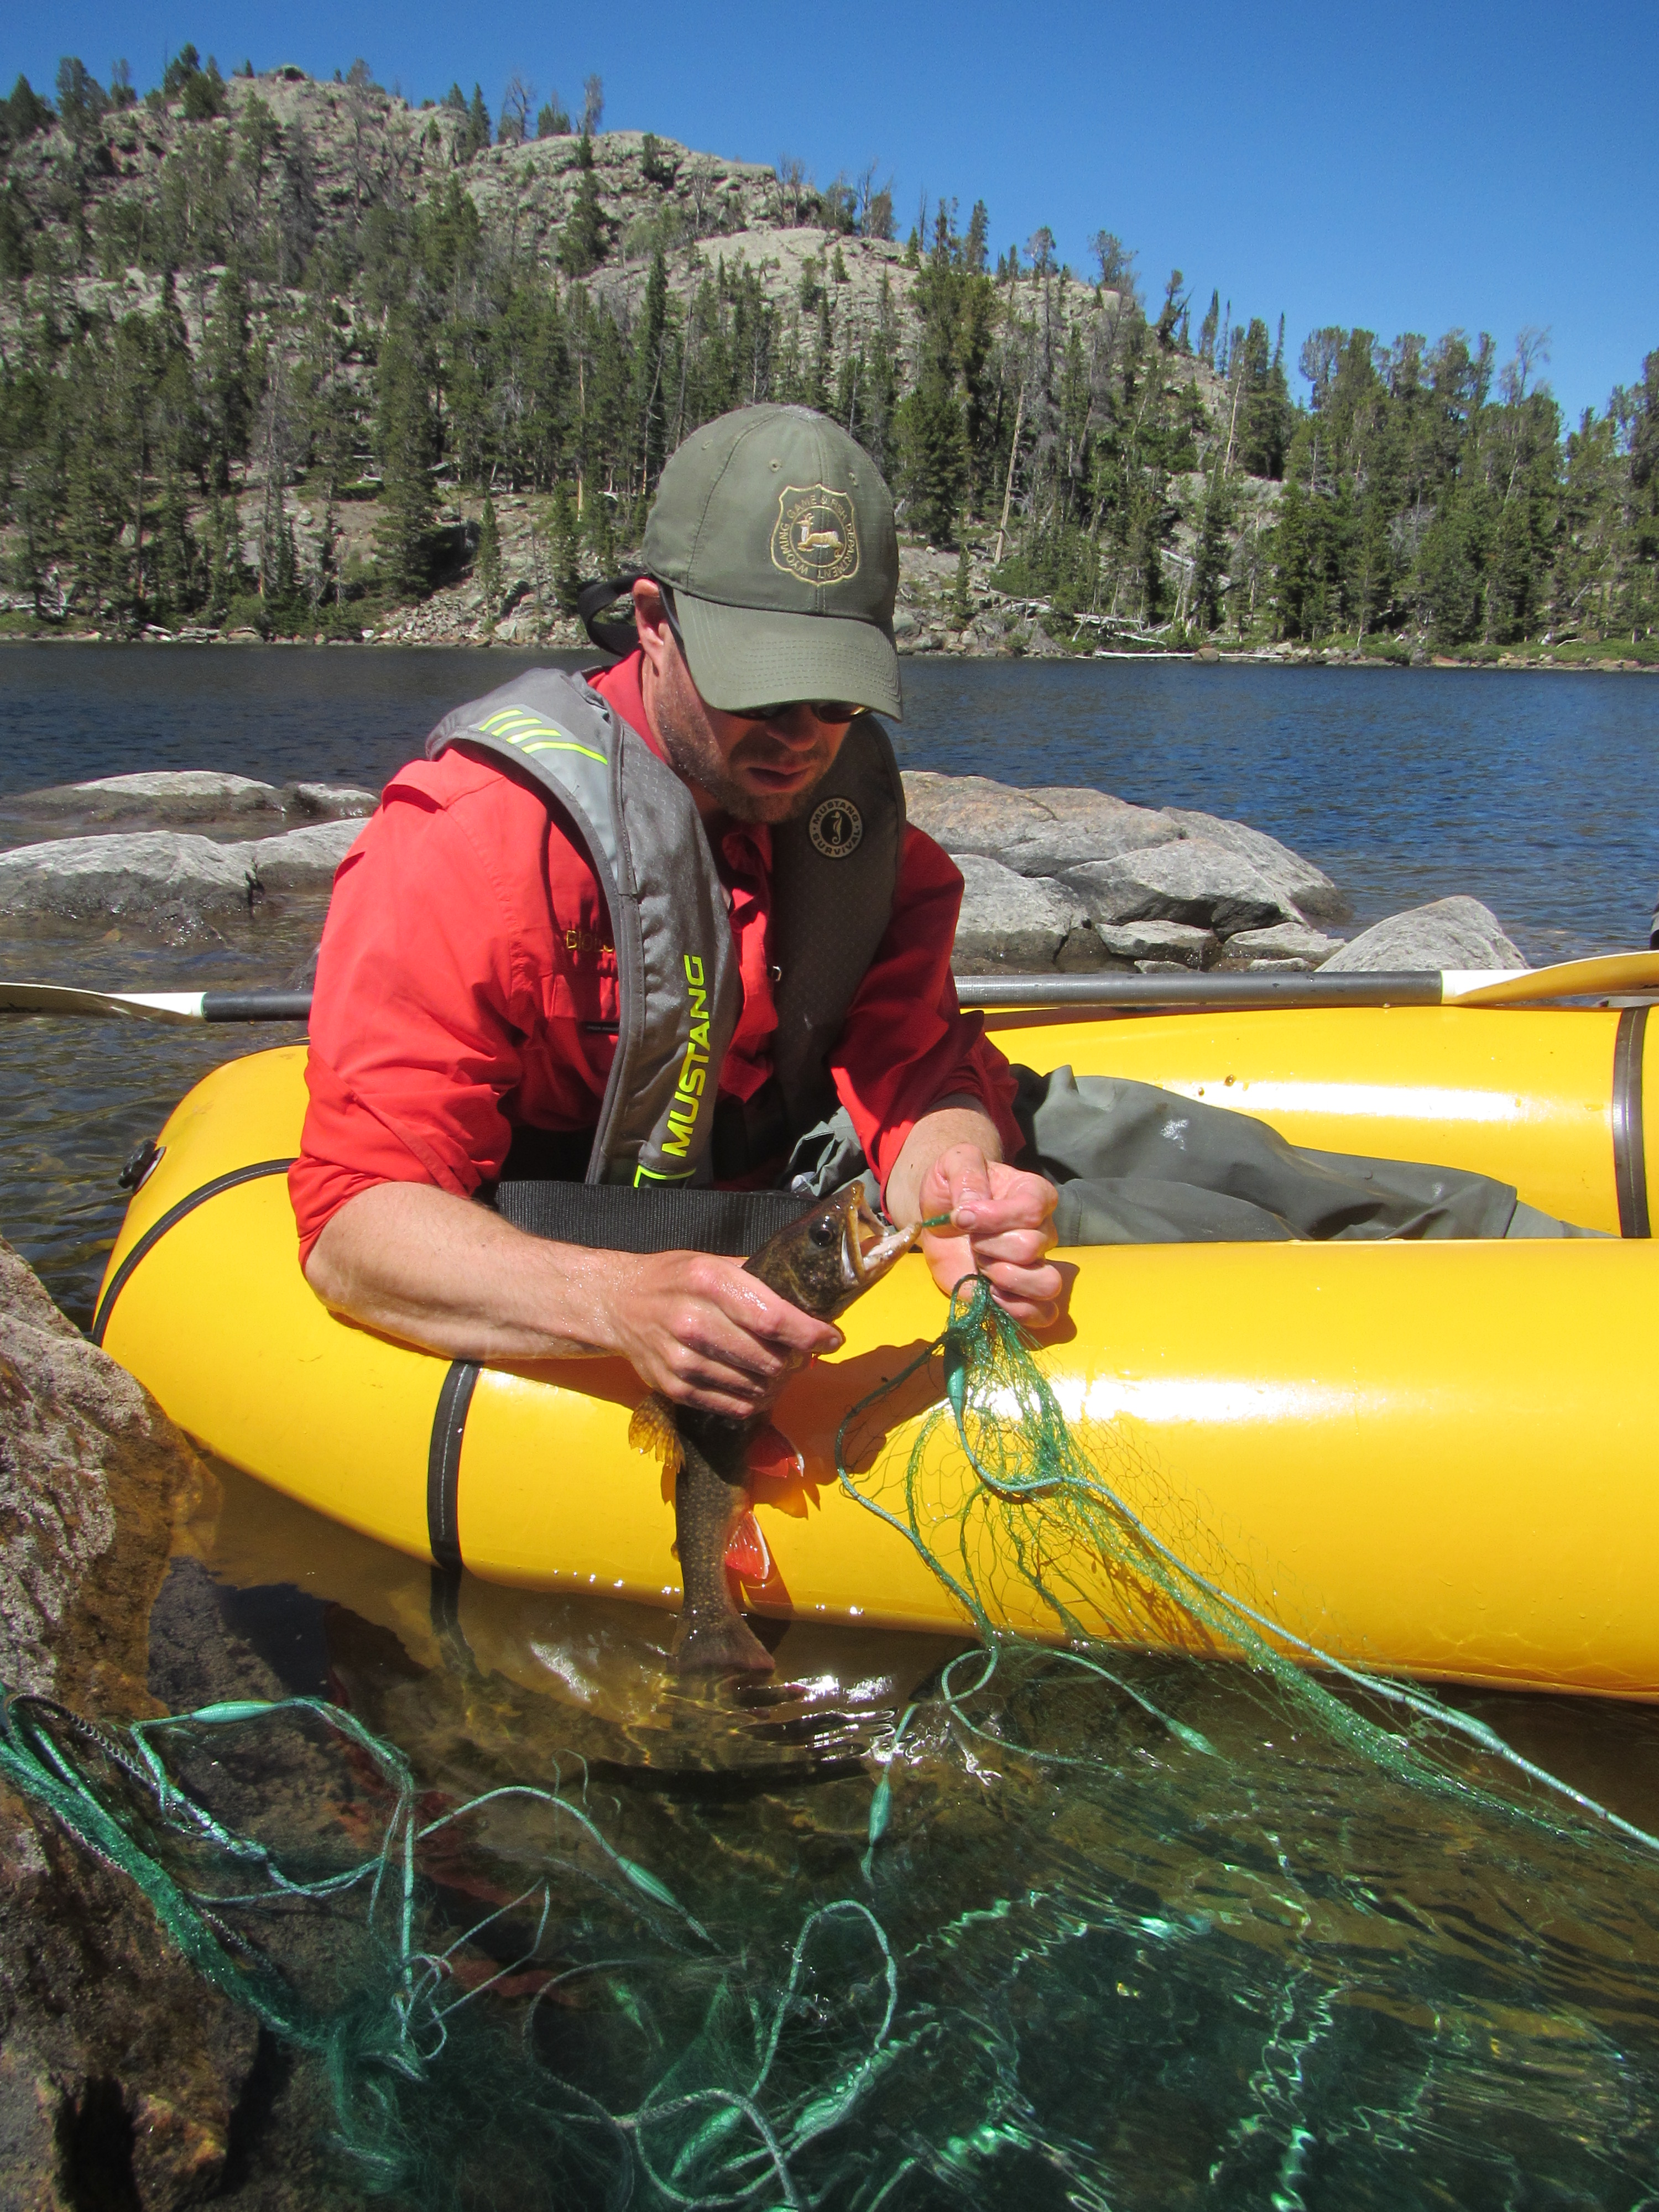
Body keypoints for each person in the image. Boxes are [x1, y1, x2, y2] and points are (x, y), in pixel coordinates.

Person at [293, 404, 1599, 1422]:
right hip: (691, 1228)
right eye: (770, 690)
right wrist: (614, 1300)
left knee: (1267, 1170)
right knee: (1197, 1244)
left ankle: (1570, 1273)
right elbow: (357, 1222)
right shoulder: (473, 841)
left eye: (839, 694)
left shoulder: (845, 815)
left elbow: (917, 1066)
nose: (807, 737)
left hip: (856, 1166)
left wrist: (966, 1187)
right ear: (653, 623)